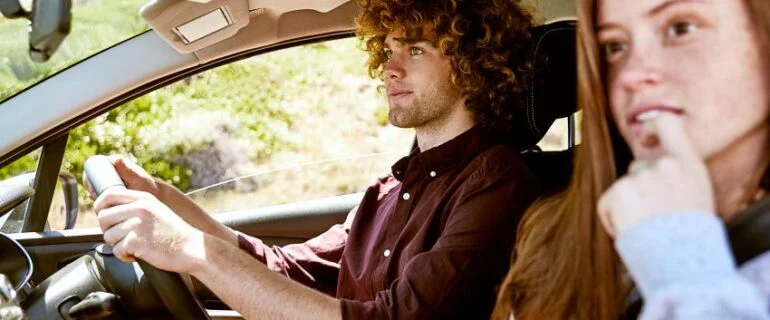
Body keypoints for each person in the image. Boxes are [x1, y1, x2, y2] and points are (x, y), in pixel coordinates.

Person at [87, 0, 541, 318]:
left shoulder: (496, 183)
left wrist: (190, 252)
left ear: (473, 63)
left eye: (415, 49)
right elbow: (284, 270)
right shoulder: (392, 188)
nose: (390, 68)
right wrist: (165, 200)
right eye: (389, 50)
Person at [492, 0, 770, 319]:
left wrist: (678, 259)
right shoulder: (550, 234)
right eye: (615, 46)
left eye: (680, 28)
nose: (631, 74)